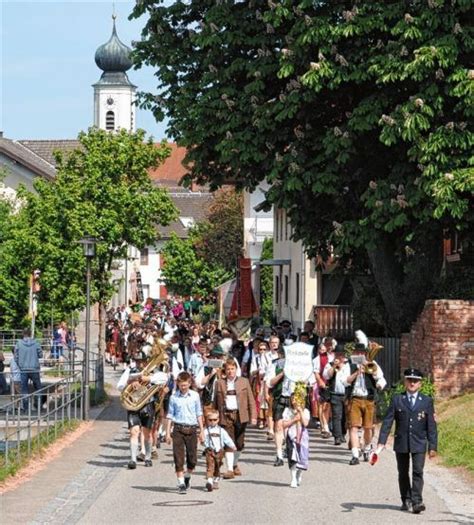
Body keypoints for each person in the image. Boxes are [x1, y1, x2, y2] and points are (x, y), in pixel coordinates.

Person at [377, 368, 437, 514]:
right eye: (409, 380)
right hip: (402, 441)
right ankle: (406, 498)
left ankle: (417, 501)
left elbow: (431, 425)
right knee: (403, 472)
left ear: (420, 384)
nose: (412, 383)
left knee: (418, 471)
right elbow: (388, 421)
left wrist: (433, 446)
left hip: (419, 442)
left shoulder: (426, 401)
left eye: (415, 381)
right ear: (405, 382)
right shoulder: (397, 399)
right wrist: (381, 441)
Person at [117, 358, 168, 469]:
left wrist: (147, 378)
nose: (143, 363)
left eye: (145, 360)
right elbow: (120, 386)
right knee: (134, 432)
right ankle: (133, 459)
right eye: (140, 360)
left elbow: (164, 379)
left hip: (148, 406)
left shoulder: (155, 372)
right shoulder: (130, 370)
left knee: (147, 434)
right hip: (134, 406)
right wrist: (129, 383)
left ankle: (148, 457)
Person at [214, 358, 257, 479]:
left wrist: (253, 416)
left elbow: (251, 401)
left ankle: (234, 464)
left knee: (239, 443)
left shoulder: (244, 381)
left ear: (236, 369)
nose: (230, 371)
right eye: (228, 369)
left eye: (232, 369)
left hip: (240, 415)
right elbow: (215, 402)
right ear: (225, 370)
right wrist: (213, 418)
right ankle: (229, 470)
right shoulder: (219, 383)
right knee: (228, 442)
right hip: (226, 415)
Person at [345, 340, 386, 465]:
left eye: (362, 352)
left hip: (369, 399)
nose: (360, 354)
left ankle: (367, 447)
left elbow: (381, 380)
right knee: (354, 427)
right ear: (354, 353)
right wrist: (357, 372)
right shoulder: (350, 364)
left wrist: (373, 374)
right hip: (355, 398)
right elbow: (345, 382)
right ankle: (355, 455)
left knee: (368, 428)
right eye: (358, 352)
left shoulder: (373, 364)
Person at [166, 371, 205, 494]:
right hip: (178, 429)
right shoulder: (174, 397)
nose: (183, 387)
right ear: (178, 384)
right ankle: (181, 483)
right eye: (181, 385)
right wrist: (168, 433)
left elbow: (199, 413)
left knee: (192, 458)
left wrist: (202, 431)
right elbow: (170, 415)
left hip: (192, 429)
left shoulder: (195, 396)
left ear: (189, 383)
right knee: (178, 457)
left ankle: (187, 476)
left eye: (185, 385)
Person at [202, 409, 236, 492]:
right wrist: (202, 442)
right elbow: (202, 439)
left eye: (215, 420)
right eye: (210, 420)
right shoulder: (206, 431)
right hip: (209, 451)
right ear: (207, 420)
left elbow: (227, 439)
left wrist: (232, 445)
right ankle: (209, 481)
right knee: (210, 466)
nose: (213, 422)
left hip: (219, 451)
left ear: (218, 420)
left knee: (217, 466)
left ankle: (216, 479)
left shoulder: (221, 430)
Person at [323, 347, 350, 445]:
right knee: (336, 415)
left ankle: (343, 433)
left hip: (347, 394)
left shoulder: (349, 365)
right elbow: (326, 376)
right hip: (335, 394)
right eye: (338, 354)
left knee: (345, 416)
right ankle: (337, 436)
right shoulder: (330, 364)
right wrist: (334, 366)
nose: (340, 356)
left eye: (342, 355)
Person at [282, 393, 310, 488]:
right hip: (291, 436)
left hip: (302, 437)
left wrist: (300, 412)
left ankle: (299, 473)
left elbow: (305, 423)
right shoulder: (287, 411)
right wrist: (294, 420)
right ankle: (293, 478)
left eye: (296, 399)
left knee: (301, 457)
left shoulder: (305, 411)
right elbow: (284, 424)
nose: (294, 401)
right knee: (292, 457)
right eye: (292, 399)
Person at [14, 328, 43, 411]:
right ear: (30, 334)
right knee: (38, 388)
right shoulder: (36, 343)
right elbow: (40, 355)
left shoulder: (18, 343)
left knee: (24, 389)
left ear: (23, 334)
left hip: (23, 369)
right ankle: (39, 406)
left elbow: (16, 356)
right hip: (34, 368)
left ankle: (26, 408)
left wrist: (20, 364)